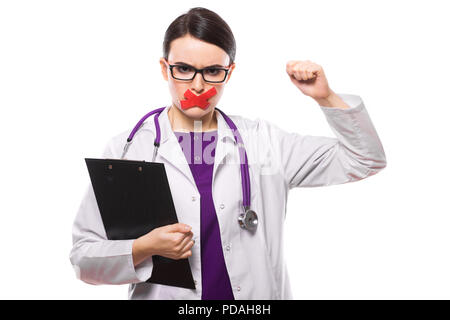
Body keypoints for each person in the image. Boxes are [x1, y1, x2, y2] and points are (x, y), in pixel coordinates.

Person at [69, 7, 387, 300]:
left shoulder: (264, 142)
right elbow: (84, 258)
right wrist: (142, 247)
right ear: (165, 69)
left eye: (212, 71)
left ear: (229, 72)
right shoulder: (129, 149)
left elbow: (365, 159)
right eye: (183, 69)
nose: (197, 85)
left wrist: (326, 97)